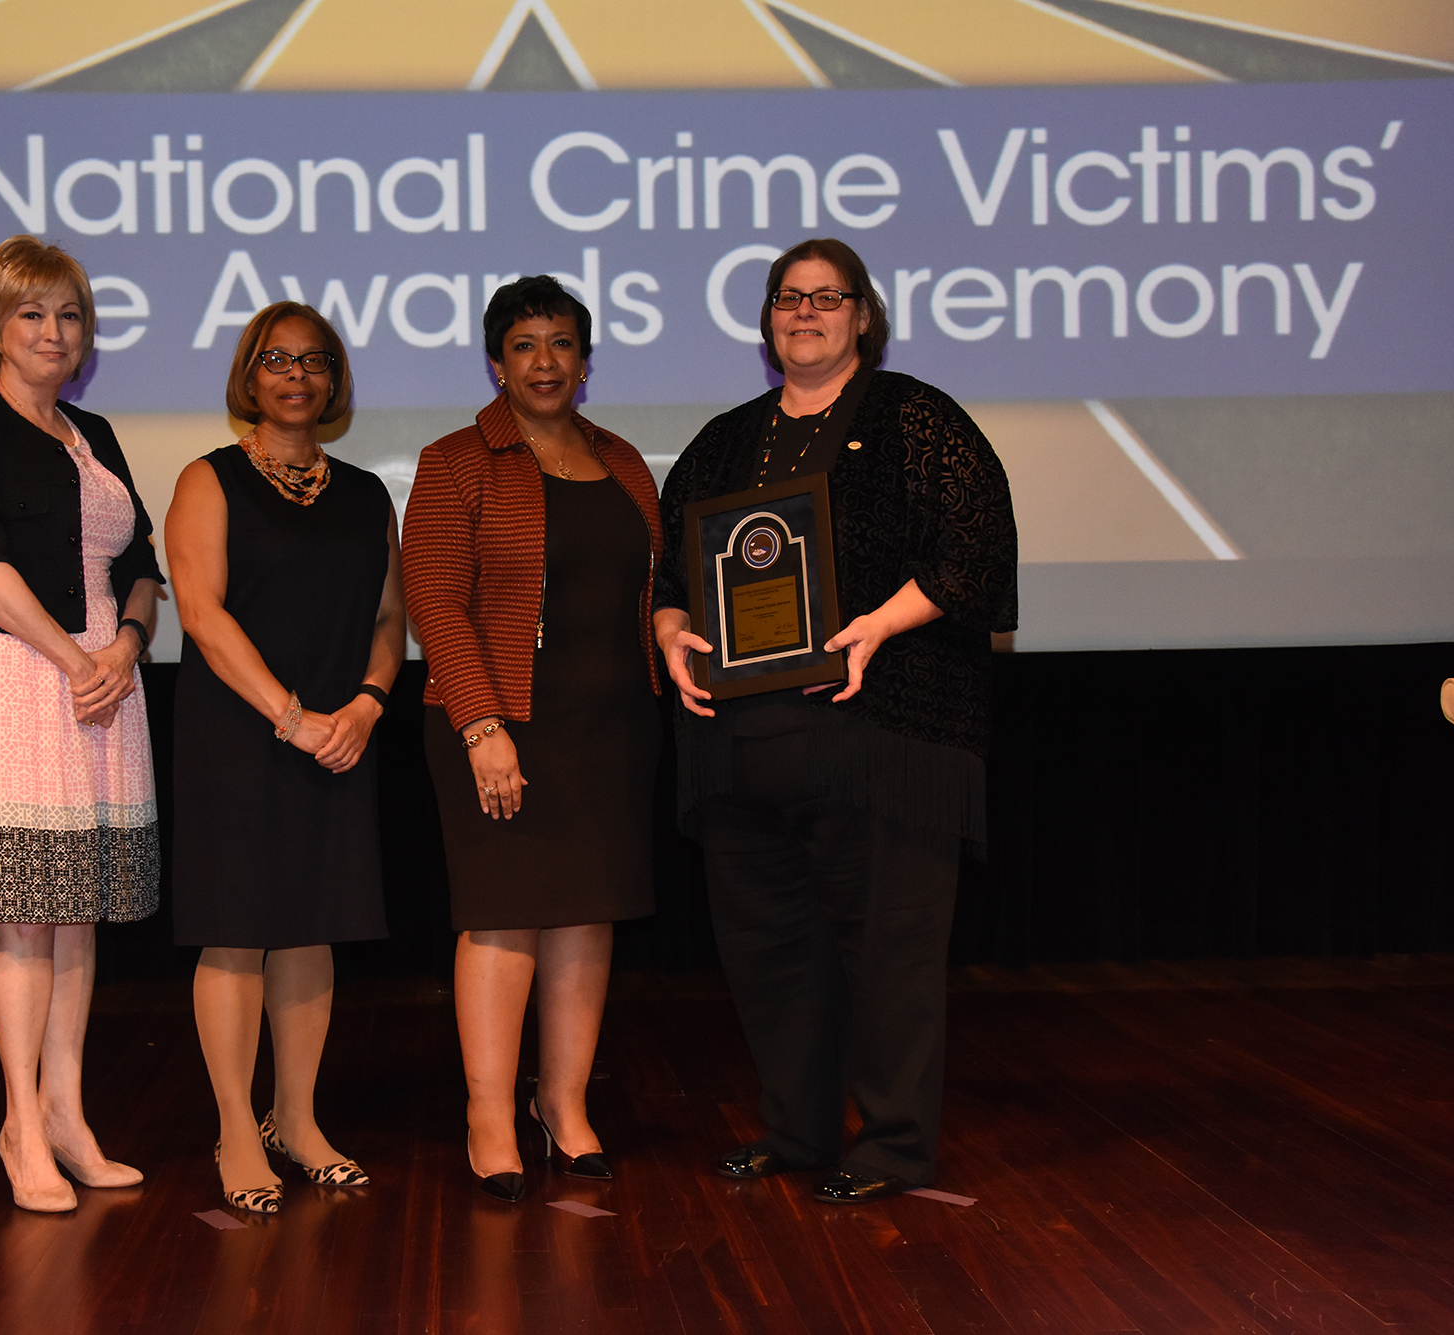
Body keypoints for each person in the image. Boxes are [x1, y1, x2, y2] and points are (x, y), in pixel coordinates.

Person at [653, 238, 1017, 1204]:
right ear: (766, 319)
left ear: (864, 315)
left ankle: (893, 1144)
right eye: (787, 297)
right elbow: (670, 570)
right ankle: (798, 1130)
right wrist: (672, 627)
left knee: (890, 952)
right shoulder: (726, 439)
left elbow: (976, 552)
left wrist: (875, 628)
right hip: (743, 745)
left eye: (827, 297)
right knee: (771, 951)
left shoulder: (916, 420)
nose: (804, 312)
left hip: (882, 735)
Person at [0, 234, 163, 1214]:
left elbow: (141, 559)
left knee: (77, 904)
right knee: (23, 904)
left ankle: (68, 1116)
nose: (54, 333)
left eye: (70, 316)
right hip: (7, 671)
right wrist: (77, 661)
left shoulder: (90, 431)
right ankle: (19, 1124)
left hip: (99, 675)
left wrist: (124, 649)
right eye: (32, 316)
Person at [403, 275, 664, 1203]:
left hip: (610, 727)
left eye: (561, 344)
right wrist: (482, 724)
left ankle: (564, 1105)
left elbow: (652, 591)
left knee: (586, 915)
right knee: (505, 913)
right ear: (496, 362)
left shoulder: (627, 461)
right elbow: (435, 600)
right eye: (524, 345)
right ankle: (488, 1115)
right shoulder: (455, 461)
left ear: (585, 362)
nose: (545, 361)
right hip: (499, 721)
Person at [164, 302, 403, 1215]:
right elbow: (202, 615)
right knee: (237, 929)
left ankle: (296, 1121)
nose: (296, 374)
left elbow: (390, 620)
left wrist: (368, 705)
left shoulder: (365, 493)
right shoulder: (209, 478)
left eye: (314, 360)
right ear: (248, 376)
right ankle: (235, 1128)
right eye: (276, 359)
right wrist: (292, 715)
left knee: (312, 925)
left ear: (335, 378)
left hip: (340, 735)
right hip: (242, 734)